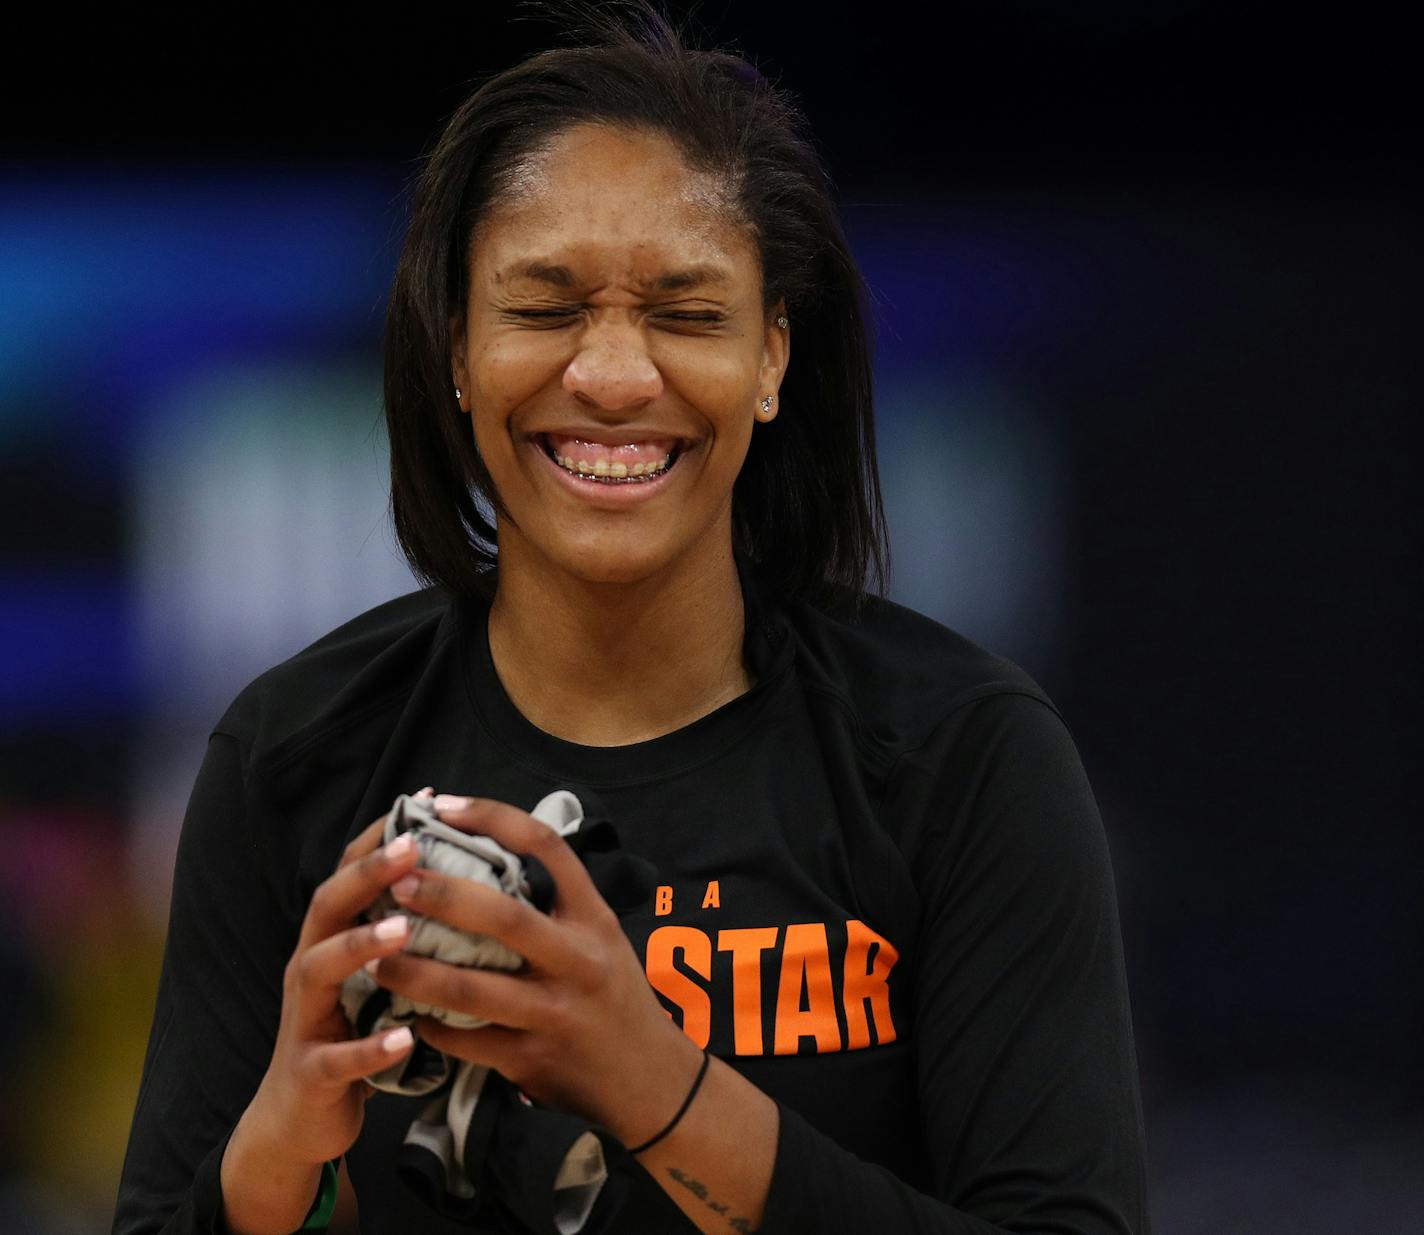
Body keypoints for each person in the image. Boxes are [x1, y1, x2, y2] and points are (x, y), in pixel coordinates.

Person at [113, 5, 1150, 1233]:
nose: (610, 374)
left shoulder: (963, 754)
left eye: (686, 312)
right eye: (544, 307)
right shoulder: (292, 753)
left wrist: (650, 1080)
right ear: (457, 344)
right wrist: (277, 1153)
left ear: (772, 356)